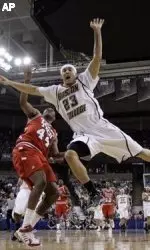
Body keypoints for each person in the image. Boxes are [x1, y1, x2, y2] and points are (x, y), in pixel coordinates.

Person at [1, 18, 150, 199]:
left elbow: (96, 57)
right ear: (61, 75)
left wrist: (97, 31)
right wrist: (9, 82)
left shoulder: (84, 80)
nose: (66, 72)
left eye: (69, 69)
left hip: (102, 128)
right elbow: (31, 90)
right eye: (63, 71)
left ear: (75, 73)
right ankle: (92, 192)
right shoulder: (55, 91)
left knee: (141, 153)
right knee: (71, 155)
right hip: (83, 134)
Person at [12, 68, 59, 246]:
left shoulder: (54, 133)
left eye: (52, 109)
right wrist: (27, 80)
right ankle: (25, 229)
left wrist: (74, 153)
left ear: (55, 117)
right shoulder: (36, 115)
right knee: (40, 183)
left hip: (41, 157)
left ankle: (27, 227)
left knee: (54, 193)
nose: (49, 109)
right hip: (26, 148)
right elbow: (23, 102)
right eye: (47, 107)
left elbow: (55, 155)